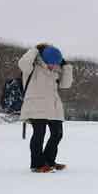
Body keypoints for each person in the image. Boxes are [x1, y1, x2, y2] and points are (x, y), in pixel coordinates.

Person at [18, 43, 74, 173]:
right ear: (44, 59)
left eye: (56, 63)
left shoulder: (56, 70)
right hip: (35, 105)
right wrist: (36, 49)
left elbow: (65, 85)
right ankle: (37, 164)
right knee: (39, 134)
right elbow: (23, 63)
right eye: (51, 63)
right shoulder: (32, 67)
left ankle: (49, 161)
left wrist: (66, 66)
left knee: (57, 134)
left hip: (53, 106)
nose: (53, 66)